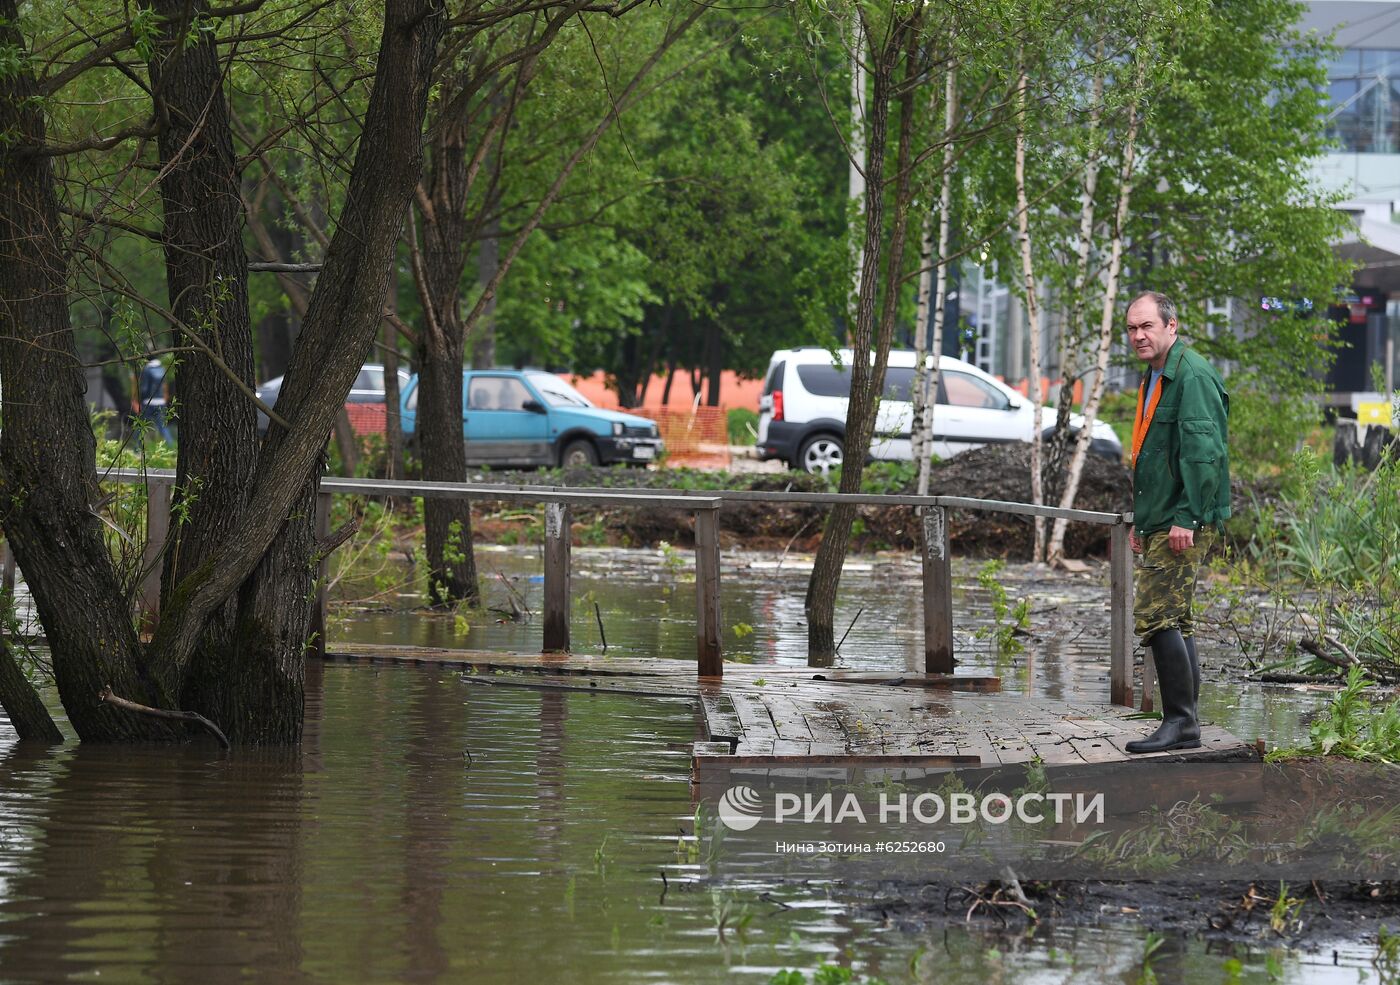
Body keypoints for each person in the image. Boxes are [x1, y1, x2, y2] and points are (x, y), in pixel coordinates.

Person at [1123, 291, 1230, 754]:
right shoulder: (1156, 375)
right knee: (1177, 618)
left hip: (1183, 519)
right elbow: (1153, 455)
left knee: (1155, 613)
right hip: (1161, 518)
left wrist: (1186, 516)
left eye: (1147, 326)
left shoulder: (1192, 375)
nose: (1139, 336)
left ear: (1171, 326)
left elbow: (1205, 456)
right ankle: (1184, 724)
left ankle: (1180, 722)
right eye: (1132, 328)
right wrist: (1142, 522)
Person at [136, 356, 171, 442]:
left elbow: (144, 388)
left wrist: (139, 399)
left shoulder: (147, 370)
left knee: (141, 426)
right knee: (162, 426)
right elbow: (165, 385)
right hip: (161, 401)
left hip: (149, 402)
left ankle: (136, 447)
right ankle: (171, 444)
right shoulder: (162, 369)